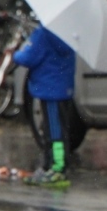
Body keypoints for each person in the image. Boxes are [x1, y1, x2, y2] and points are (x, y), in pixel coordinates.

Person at [15, 25, 76, 187]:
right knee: (58, 129)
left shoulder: (43, 33)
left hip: (49, 89)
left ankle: (56, 168)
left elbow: (26, 58)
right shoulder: (68, 34)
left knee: (53, 132)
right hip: (63, 87)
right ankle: (50, 166)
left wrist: (16, 53)